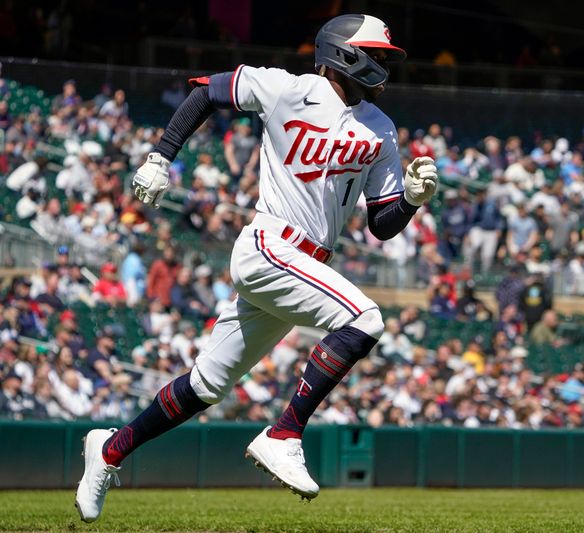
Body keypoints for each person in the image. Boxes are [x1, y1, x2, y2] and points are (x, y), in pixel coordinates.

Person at [76, 14, 438, 522]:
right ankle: (284, 433)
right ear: (343, 52)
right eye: (375, 53)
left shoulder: (380, 128)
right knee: (366, 319)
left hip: (301, 269)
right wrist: (161, 157)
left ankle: (109, 450)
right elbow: (207, 92)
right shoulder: (288, 88)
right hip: (271, 246)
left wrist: (414, 200)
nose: (382, 63)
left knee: (205, 385)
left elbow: (382, 223)